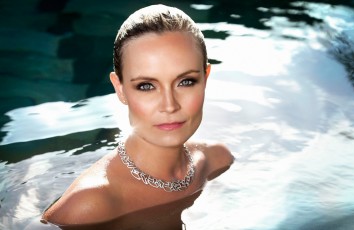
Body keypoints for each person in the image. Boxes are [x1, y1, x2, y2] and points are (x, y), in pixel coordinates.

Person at [41, 4, 234, 227]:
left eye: (186, 81)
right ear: (120, 89)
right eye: (146, 86)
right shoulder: (90, 205)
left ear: (205, 78)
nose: (169, 105)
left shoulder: (217, 161)